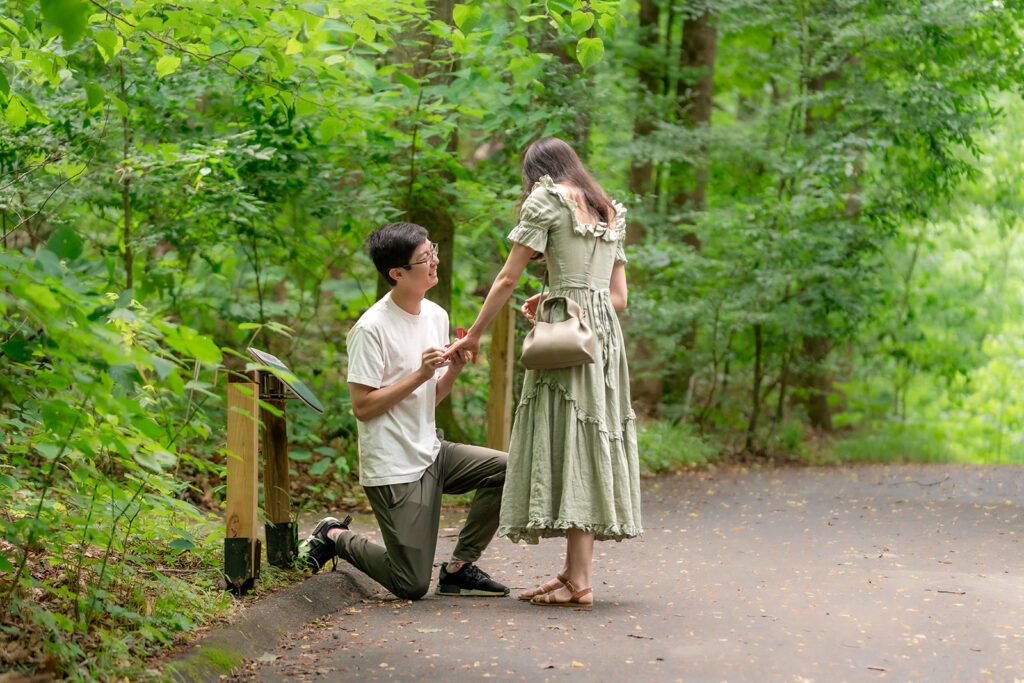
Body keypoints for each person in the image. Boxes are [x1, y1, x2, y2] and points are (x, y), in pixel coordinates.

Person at [444, 137, 642, 607]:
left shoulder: (546, 198)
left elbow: (508, 277)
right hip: (603, 339)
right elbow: (617, 299)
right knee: (589, 439)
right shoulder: (608, 210)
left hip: (565, 339)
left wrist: (473, 334)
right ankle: (576, 576)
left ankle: (581, 582)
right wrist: (556, 296)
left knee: (573, 439)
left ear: (538, 171)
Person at [299, 222, 509, 600]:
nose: (435, 262)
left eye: (434, 251)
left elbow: (431, 397)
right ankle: (334, 535)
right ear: (397, 273)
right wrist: (420, 374)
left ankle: (459, 567)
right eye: (425, 258)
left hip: (432, 452)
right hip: (394, 466)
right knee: (409, 584)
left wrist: (454, 367)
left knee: (511, 468)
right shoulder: (371, 329)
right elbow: (362, 408)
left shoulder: (435, 315)